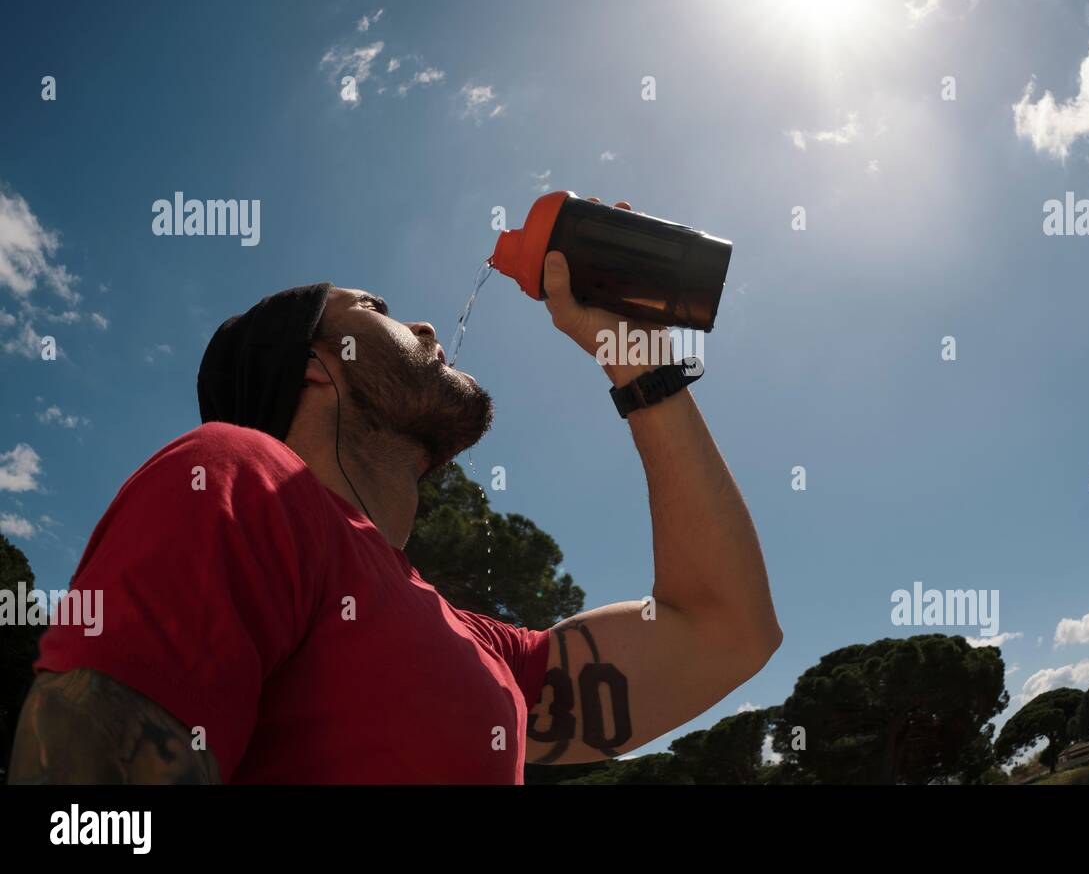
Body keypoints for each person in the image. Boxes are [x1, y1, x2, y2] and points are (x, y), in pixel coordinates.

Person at [8, 197, 782, 784]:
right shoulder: (237, 479)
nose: (423, 325)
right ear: (317, 364)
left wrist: (636, 363)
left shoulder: (480, 648)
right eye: (373, 310)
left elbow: (726, 631)